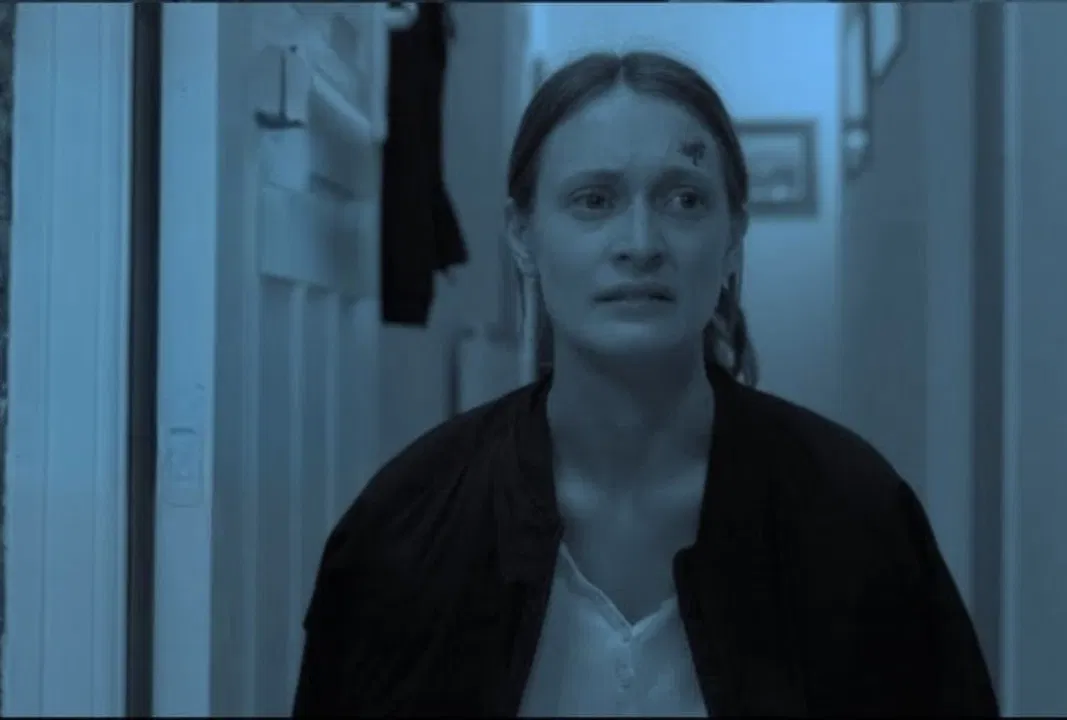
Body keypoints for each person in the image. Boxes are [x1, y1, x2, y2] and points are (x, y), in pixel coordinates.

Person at [292, 50, 999, 717]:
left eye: (684, 200)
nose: (640, 243)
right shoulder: (405, 527)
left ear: (733, 238)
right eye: (594, 200)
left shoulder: (856, 517)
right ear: (522, 234)